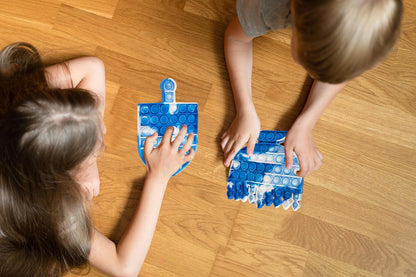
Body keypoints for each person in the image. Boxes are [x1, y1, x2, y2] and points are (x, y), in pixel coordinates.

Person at [0, 42, 195, 277]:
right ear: (58, 178)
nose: (104, 128)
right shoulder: (50, 214)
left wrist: (88, 164)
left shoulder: (15, 102)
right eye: (97, 145)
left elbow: (93, 68)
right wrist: (158, 176)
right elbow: (124, 268)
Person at [221, 0, 403, 177]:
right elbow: (236, 39)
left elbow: (340, 70)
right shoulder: (267, 6)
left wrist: (307, 122)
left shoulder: (375, 24)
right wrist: (244, 108)